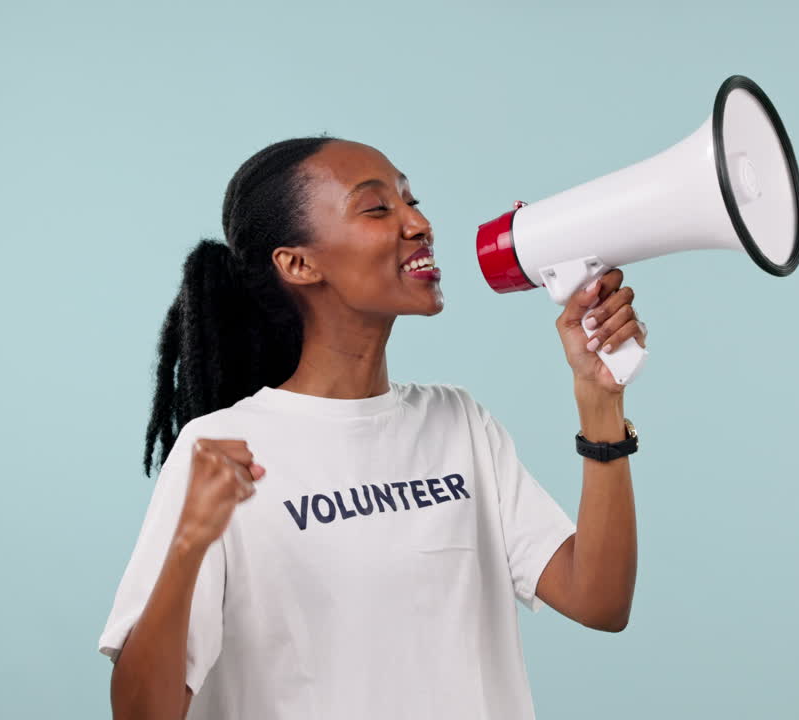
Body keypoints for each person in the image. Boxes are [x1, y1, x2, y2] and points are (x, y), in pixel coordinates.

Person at [96, 136, 646, 720]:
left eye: (412, 200)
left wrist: (599, 403)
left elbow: (600, 601)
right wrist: (188, 545)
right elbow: (141, 713)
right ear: (299, 263)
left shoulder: (458, 424)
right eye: (378, 208)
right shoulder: (222, 451)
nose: (419, 223)